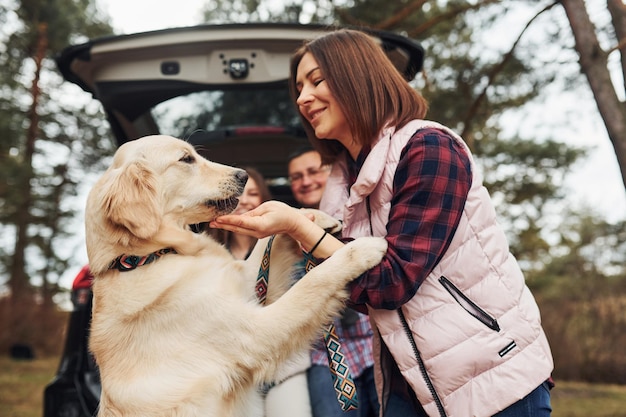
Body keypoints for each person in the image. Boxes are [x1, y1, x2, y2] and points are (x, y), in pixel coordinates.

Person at [210, 29, 554, 417]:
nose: (303, 98)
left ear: (357, 77)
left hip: (494, 377)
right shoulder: (341, 186)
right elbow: (363, 295)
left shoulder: (428, 149)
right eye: (299, 88)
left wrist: (301, 229)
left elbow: (391, 283)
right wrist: (297, 240)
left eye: (317, 81)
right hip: (406, 384)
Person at [210, 167, 313, 417]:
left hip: (284, 368)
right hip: (234, 377)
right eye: (240, 193)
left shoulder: (285, 245)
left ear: (264, 201)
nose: (245, 200)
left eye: (254, 194)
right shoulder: (207, 253)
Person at [287, 147, 380, 417]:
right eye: (296, 177)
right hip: (326, 353)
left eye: (313, 172)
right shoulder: (286, 232)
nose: (305, 181)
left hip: (373, 342)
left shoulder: (358, 214)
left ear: (331, 175)